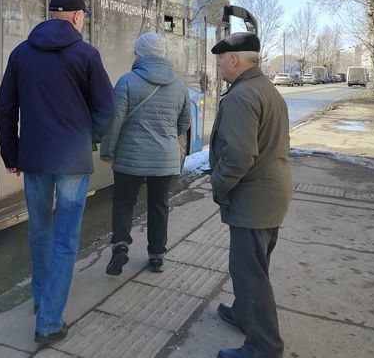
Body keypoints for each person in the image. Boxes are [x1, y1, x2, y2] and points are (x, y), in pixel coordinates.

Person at [0, 0, 115, 345]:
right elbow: (107, 110)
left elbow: (5, 108)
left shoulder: (21, 54)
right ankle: (49, 321)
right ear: (78, 17)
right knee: (65, 240)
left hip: (34, 159)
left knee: (40, 233)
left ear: (51, 15)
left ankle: (41, 298)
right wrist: (87, 136)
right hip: (72, 162)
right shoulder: (87, 54)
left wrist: (11, 154)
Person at [208, 32, 292, 358]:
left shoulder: (242, 96)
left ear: (234, 60)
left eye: (220, 61)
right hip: (271, 194)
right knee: (255, 264)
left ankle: (264, 347)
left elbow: (239, 155)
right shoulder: (266, 89)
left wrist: (218, 185)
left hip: (253, 198)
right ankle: (244, 313)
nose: (219, 68)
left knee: (249, 272)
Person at [100, 32, 191, 275]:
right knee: (159, 205)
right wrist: (166, 137)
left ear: (140, 53)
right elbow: (184, 123)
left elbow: (115, 122)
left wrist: (109, 152)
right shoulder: (180, 85)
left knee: (123, 202)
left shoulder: (127, 81)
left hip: (131, 157)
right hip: (165, 159)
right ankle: (157, 255)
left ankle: (120, 247)